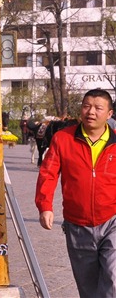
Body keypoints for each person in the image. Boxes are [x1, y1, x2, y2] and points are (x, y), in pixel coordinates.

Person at [35, 89, 116, 297]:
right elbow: (48, 173)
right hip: (77, 223)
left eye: (98, 108)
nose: (91, 112)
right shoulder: (63, 139)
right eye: (86, 106)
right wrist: (45, 206)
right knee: (88, 287)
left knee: (113, 279)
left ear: (109, 114)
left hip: (112, 219)